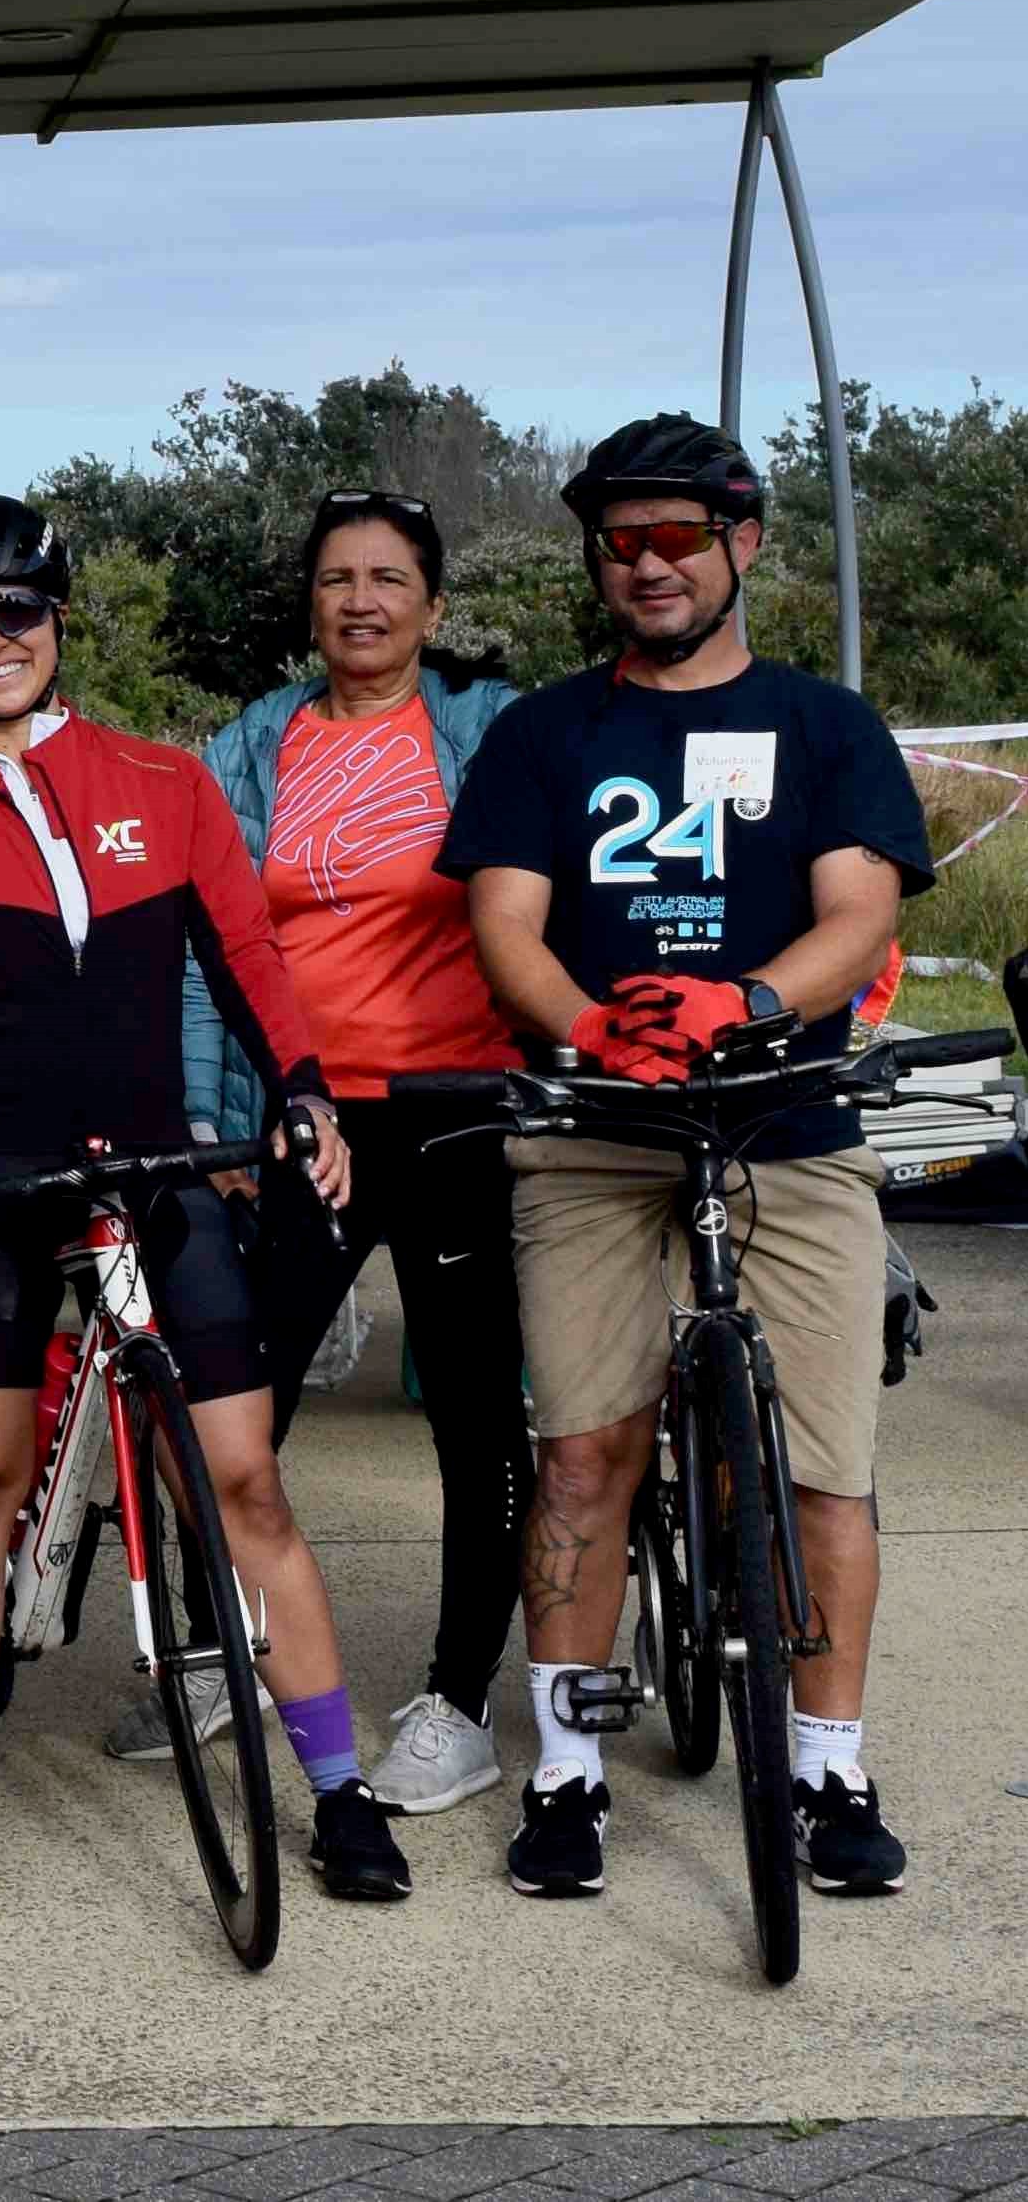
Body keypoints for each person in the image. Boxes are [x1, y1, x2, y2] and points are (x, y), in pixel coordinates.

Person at [0, 497, 411, 1916]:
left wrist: (300, 1088)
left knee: (243, 1487)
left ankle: (335, 1789)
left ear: (56, 618)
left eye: (15, 613)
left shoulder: (159, 782)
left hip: (150, 1173)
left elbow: (244, 955)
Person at [443, 416, 934, 1901]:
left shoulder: (820, 724)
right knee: (582, 1453)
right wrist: (594, 1025)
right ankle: (565, 1770)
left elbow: (856, 909)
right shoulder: (545, 730)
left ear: (743, 542)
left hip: (787, 1119)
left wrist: (751, 1000)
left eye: (674, 536)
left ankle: (827, 1763)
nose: (645, 565)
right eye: (618, 541)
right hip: (596, 1132)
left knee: (820, 1475)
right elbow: (502, 926)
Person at [170, 491, 528, 1818]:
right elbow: (205, 948)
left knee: (478, 1411)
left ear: (431, 608)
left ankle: (455, 1696)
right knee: (239, 1402)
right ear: (309, 604)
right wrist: (214, 1124)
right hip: (298, 1118)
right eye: (335, 579)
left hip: (454, 1106)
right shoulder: (249, 748)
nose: (359, 600)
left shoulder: (487, 734)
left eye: (386, 578)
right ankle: (240, 1649)